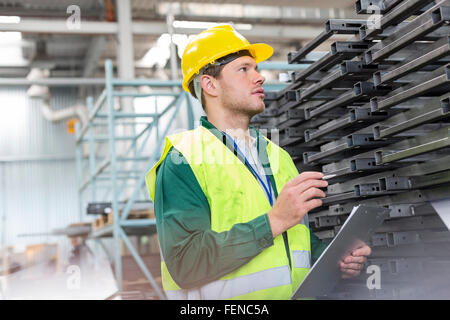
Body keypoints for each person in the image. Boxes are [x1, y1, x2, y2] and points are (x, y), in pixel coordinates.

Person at [145, 24, 371, 300]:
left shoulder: (277, 156)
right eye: (244, 69)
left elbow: (296, 243)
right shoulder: (183, 160)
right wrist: (274, 221)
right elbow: (186, 263)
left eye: (256, 68)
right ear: (210, 84)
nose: (259, 77)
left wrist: (336, 258)